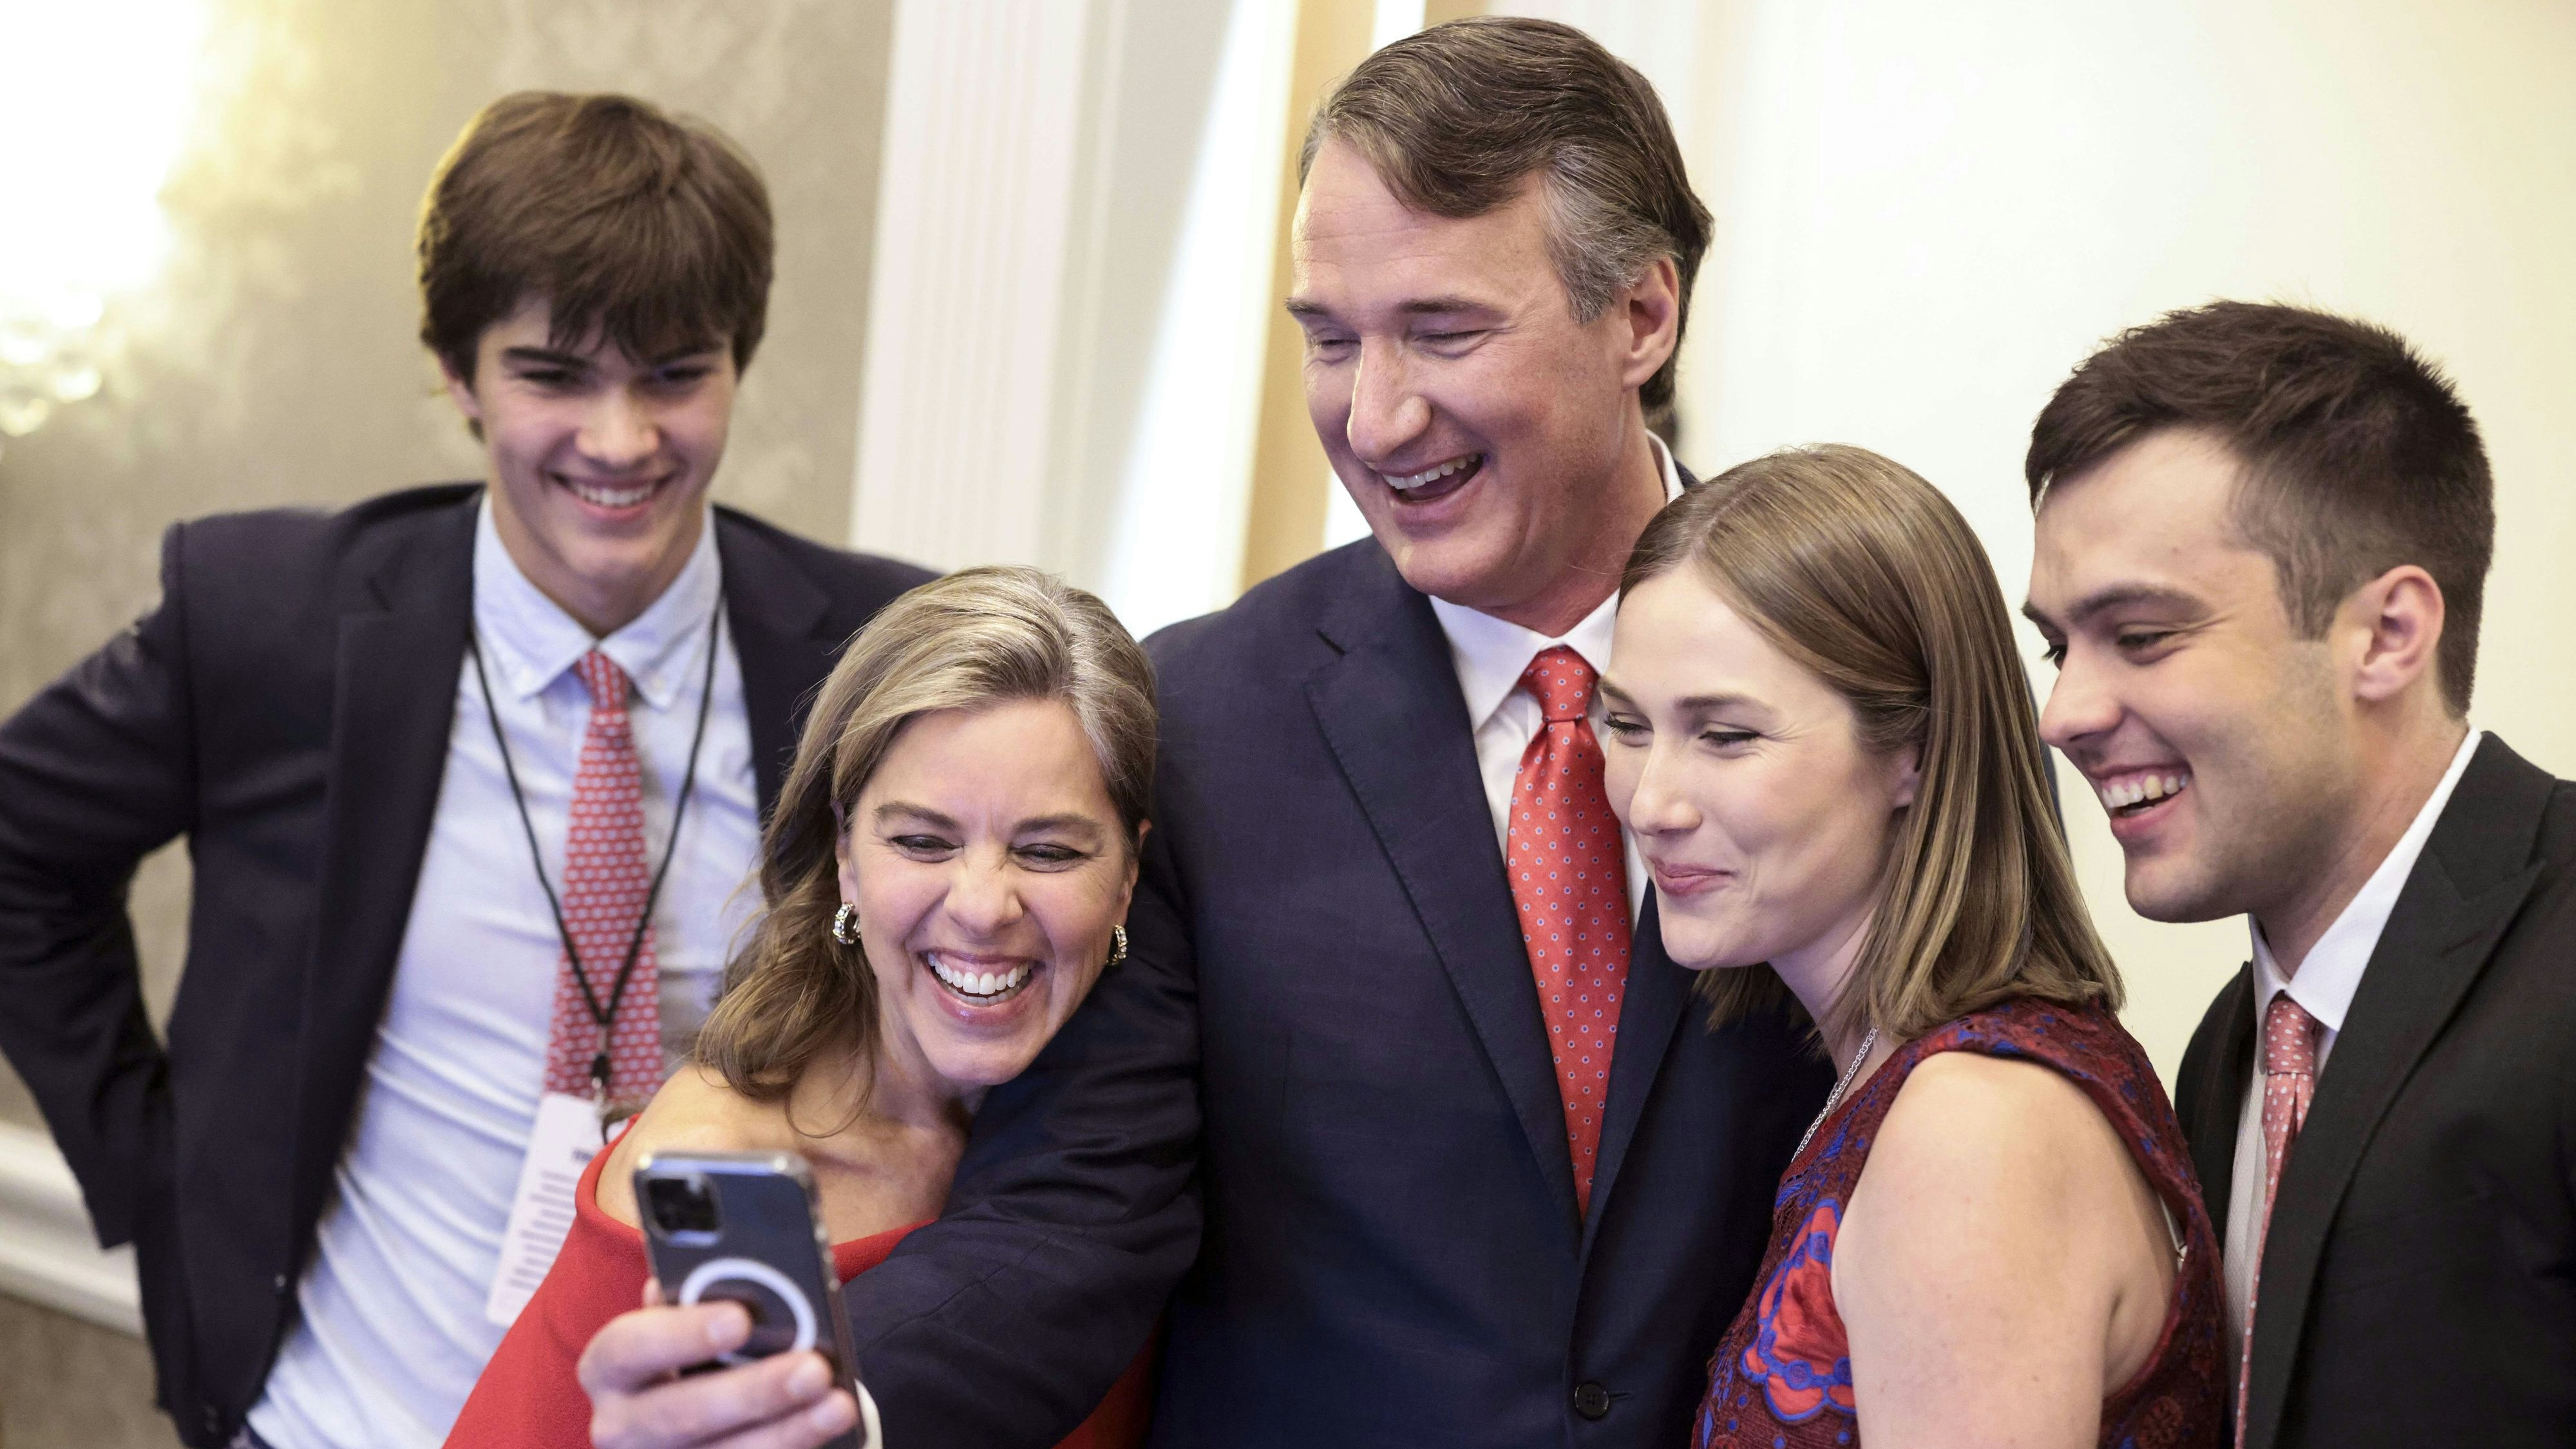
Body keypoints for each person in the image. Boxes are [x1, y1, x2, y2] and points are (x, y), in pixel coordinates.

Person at [576, 18, 1828, 1448]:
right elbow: (1072, 1212)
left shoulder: (1840, 657)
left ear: (1641, 316)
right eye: (1329, 338)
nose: (1374, 414)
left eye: (1441, 330)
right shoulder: (1205, 723)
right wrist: (832, 1411)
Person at [0, 92, 930, 1449]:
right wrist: (156, 1174)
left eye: (675, 373)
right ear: (457, 374)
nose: (620, 443)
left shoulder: (876, 657)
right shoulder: (271, 618)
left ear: (739, 363)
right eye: (552, 375)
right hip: (327, 1419)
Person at [2023, 301, 2576, 1448]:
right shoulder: (2233, 1047)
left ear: (2386, 634)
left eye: (2144, 634)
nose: (2063, 713)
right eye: (2057, 645)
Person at [447, 566, 1156, 1448]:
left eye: (1047, 850)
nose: (982, 905)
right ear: (846, 857)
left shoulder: (1135, 1167)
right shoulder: (711, 1165)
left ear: (1129, 876)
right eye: (922, 841)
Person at [1600, 444, 2224, 1447]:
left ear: (1915, 753)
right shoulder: (1917, 1073)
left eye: (1726, 736)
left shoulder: (1974, 1131)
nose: (1652, 802)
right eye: (1626, 724)